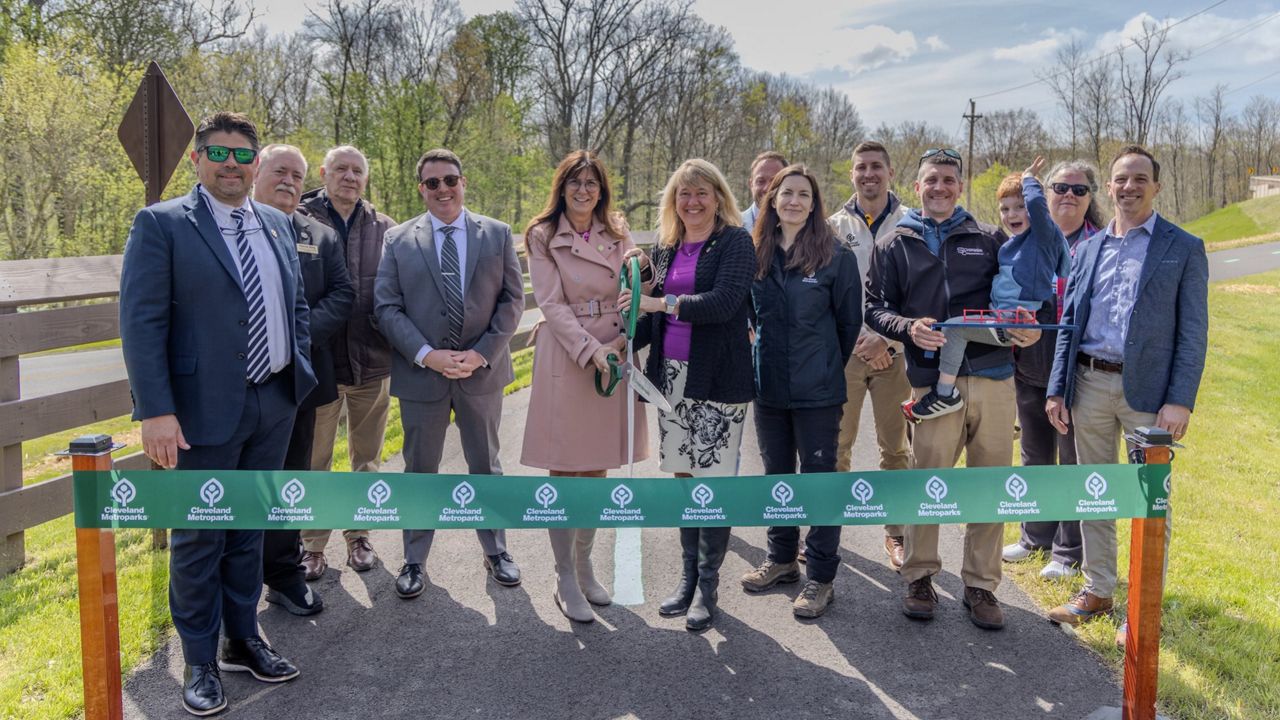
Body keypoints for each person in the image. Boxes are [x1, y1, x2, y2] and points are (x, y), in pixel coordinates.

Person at [120, 112, 317, 715]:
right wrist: (156, 411)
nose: (232, 165)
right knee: (200, 537)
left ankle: (242, 639)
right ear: (197, 159)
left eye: (242, 155)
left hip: (272, 401)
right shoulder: (162, 225)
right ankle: (199, 661)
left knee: (247, 533)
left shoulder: (280, 225)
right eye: (219, 153)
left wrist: (295, 371)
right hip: (200, 412)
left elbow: (296, 305)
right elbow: (141, 321)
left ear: (255, 163)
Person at [865, 148, 1041, 631]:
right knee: (930, 482)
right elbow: (875, 309)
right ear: (917, 187)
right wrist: (907, 328)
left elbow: (1016, 295)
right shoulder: (894, 243)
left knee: (989, 486)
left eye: (947, 180)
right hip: (930, 382)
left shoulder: (989, 238)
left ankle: (981, 586)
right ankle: (920, 576)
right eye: (930, 180)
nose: (939, 187)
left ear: (959, 187)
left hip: (993, 378)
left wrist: (1026, 328)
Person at [1045, 145, 1208, 647]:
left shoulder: (1182, 247)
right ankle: (1098, 590)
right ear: (1108, 187)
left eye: (1140, 178)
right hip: (1089, 386)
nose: (1129, 187)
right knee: (1094, 490)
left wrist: (1180, 399)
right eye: (1120, 179)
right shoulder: (1088, 249)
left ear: (1155, 186)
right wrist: (1057, 388)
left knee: (1147, 501)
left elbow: (1192, 332)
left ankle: (1143, 607)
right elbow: (1069, 323)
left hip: (1149, 395)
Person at [375, 148, 524, 600]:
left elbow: (512, 302)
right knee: (421, 471)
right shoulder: (399, 240)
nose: (443, 189)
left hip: (481, 374)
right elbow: (386, 307)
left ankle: (496, 551)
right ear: (421, 188)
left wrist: (480, 355)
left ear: (463, 182)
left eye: (450, 180)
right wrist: (426, 354)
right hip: (423, 377)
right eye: (433, 182)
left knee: (486, 467)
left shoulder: (496, 234)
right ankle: (415, 559)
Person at [619, 158, 754, 632]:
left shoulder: (735, 242)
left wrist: (662, 301)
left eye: (702, 193)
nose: (692, 202)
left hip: (717, 381)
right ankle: (686, 578)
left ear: (719, 198)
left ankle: (708, 587)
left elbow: (722, 304)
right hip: (670, 380)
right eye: (683, 194)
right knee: (684, 481)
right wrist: (629, 322)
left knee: (711, 485)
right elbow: (649, 319)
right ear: (673, 201)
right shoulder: (665, 248)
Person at [521, 151, 646, 623]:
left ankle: (585, 564)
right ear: (562, 186)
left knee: (596, 467)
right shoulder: (543, 235)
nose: (583, 190)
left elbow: (632, 286)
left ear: (602, 188)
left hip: (614, 349)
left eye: (592, 182)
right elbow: (550, 305)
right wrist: (592, 350)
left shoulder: (616, 229)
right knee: (565, 468)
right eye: (575, 182)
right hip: (569, 354)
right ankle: (563, 576)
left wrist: (620, 340)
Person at [739, 165, 861, 618]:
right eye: (785, 193)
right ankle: (782, 559)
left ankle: (821, 578)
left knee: (820, 484)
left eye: (803, 195)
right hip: (768, 389)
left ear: (814, 205)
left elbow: (848, 326)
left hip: (819, 392)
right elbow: (752, 318)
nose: (793, 201)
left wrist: (824, 364)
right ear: (772, 200)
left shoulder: (835, 257)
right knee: (778, 478)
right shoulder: (754, 254)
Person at [253, 144, 354, 617]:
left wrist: (294, 332)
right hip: (237, 388)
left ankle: (284, 575)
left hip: (300, 382)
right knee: (240, 486)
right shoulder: (235, 230)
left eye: (296, 174)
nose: (289, 181)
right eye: (279, 171)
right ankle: (232, 586)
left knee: (290, 482)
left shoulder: (320, 236)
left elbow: (342, 292)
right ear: (257, 174)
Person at [901, 156, 1067, 422]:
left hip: (1010, 323)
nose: (1011, 215)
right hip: (999, 318)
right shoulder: (1014, 244)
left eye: (1019, 207)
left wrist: (1028, 179)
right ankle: (946, 391)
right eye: (1005, 209)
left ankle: (945, 392)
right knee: (955, 329)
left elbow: (1038, 206)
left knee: (954, 329)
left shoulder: (1042, 239)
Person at [1002, 159, 1105, 579]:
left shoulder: (1100, 243)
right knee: (1034, 454)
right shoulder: (1025, 240)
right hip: (1030, 360)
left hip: (1075, 365)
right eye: (1060, 187)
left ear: (1090, 198)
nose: (1068, 195)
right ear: (1046, 195)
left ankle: (1068, 550)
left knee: (1071, 459)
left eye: (1078, 190)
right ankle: (1034, 536)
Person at [296, 145, 395, 578]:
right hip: (319, 366)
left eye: (357, 170)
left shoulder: (385, 229)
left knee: (366, 457)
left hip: (372, 363)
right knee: (316, 459)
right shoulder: (299, 220)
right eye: (341, 169)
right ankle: (312, 544)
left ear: (366, 179)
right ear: (324, 172)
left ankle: (359, 535)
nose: (349, 177)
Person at [826, 140, 913, 570]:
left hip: (895, 354)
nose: (869, 174)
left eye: (877, 166)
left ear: (890, 172)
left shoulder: (912, 222)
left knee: (895, 449)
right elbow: (825, 293)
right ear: (852, 174)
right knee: (835, 446)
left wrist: (889, 341)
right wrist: (856, 341)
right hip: (845, 355)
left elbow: (923, 293)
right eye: (861, 167)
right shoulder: (830, 226)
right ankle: (827, 535)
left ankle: (896, 533)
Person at [741, 151, 788, 232]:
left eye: (774, 181)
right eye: (760, 181)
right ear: (751, 184)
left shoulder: (803, 229)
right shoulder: (731, 225)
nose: (767, 188)